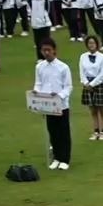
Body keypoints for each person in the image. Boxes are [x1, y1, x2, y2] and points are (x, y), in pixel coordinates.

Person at [34, 37, 74, 171]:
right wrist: (37, 92)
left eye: (48, 50)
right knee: (53, 131)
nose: (46, 53)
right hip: (47, 105)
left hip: (61, 105)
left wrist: (59, 96)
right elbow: (39, 83)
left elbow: (68, 87)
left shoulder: (63, 67)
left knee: (63, 132)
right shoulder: (39, 66)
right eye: (44, 50)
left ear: (54, 51)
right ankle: (56, 157)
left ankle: (65, 159)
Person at [77, 33, 103, 142]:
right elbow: (81, 71)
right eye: (89, 43)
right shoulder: (83, 56)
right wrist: (86, 83)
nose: (91, 45)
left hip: (99, 84)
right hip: (87, 85)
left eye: (93, 43)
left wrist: (93, 84)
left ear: (97, 44)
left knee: (102, 110)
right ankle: (96, 131)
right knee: (93, 111)